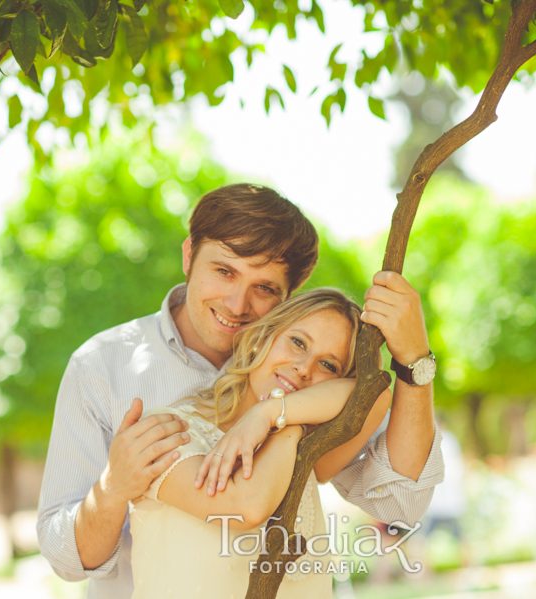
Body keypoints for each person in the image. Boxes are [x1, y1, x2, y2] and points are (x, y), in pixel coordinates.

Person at [37, 184, 444, 598]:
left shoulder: (294, 379)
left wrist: (414, 360)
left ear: (285, 303)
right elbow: (66, 561)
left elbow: (399, 503)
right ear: (188, 256)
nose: (236, 304)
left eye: (264, 288)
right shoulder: (105, 368)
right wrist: (112, 489)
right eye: (224, 271)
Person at [130, 288, 388, 598]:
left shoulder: (312, 453)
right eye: (297, 343)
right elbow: (246, 506)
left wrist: (270, 412)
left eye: (329, 366)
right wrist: (289, 424)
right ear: (262, 338)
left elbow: (377, 394)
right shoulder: (167, 430)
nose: (304, 368)